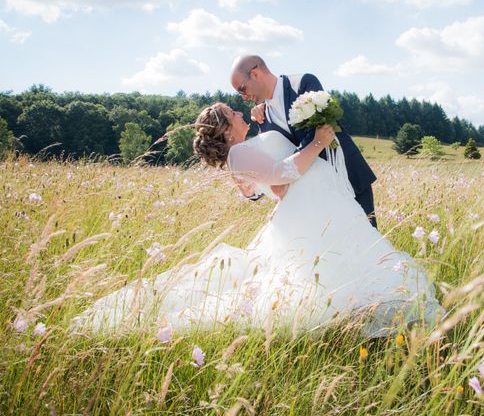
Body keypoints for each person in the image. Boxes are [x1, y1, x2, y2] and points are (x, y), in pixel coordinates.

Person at [74, 103, 442, 338]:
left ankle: (369, 311)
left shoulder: (245, 148)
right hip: (307, 207)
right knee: (321, 272)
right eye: (232, 113)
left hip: (313, 205)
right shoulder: (237, 155)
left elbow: (272, 182)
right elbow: (282, 175)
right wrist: (317, 141)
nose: (239, 112)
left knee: (343, 259)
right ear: (225, 129)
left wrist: (271, 121)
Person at [230, 55, 378, 228]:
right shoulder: (263, 119)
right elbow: (272, 164)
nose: (243, 97)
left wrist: (285, 175)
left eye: (242, 89)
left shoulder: (303, 84)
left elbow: (319, 130)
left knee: (368, 244)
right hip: (313, 198)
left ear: (255, 74)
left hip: (347, 179)